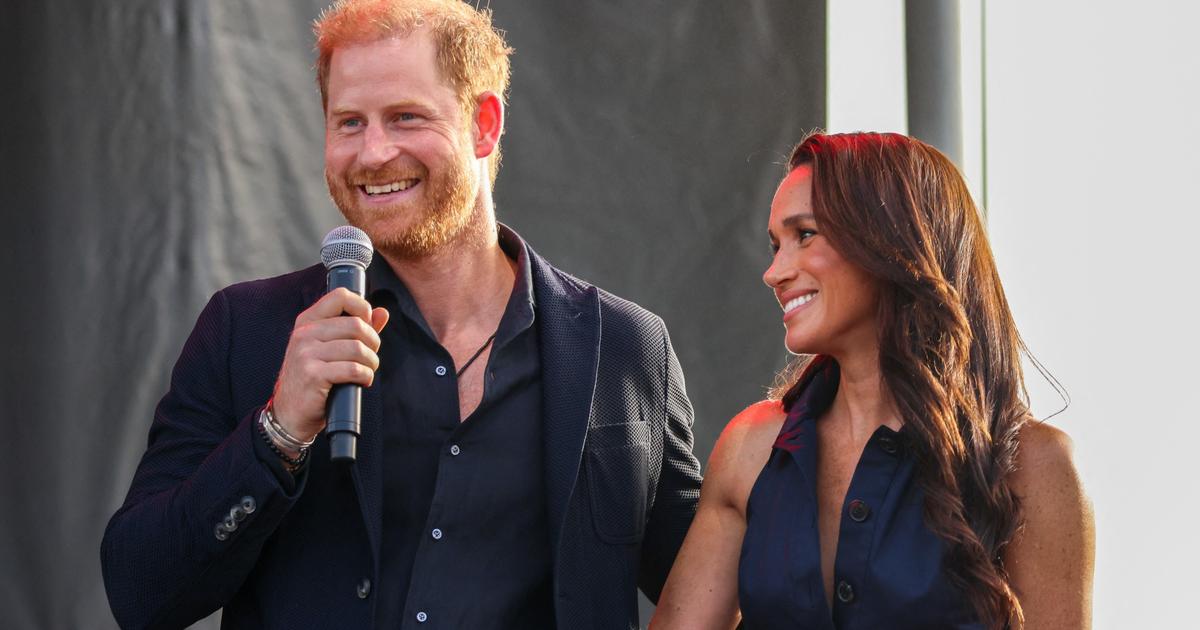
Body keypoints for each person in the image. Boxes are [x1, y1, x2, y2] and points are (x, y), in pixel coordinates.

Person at [100, 1, 702, 628]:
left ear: (484, 125)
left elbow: (711, 584)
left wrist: (772, 437)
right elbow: (140, 592)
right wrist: (277, 434)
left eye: (405, 117)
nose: (373, 153)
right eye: (349, 122)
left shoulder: (623, 347)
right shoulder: (247, 331)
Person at [650, 132, 1094, 629]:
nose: (774, 273)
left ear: (893, 239)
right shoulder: (751, 450)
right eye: (775, 246)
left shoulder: (1032, 465)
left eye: (805, 235)